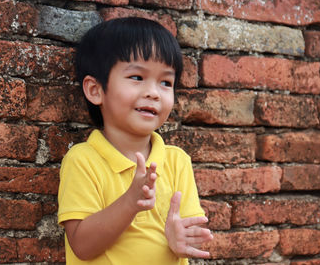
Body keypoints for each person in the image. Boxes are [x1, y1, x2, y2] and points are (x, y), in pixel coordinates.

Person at [57, 17, 213, 265]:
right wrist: (130, 203)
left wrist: (183, 240)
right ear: (96, 90)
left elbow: (192, 231)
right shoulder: (83, 160)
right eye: (137, 77)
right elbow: (81, 246)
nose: (153, 92)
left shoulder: (176, 161)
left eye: (165, 82)